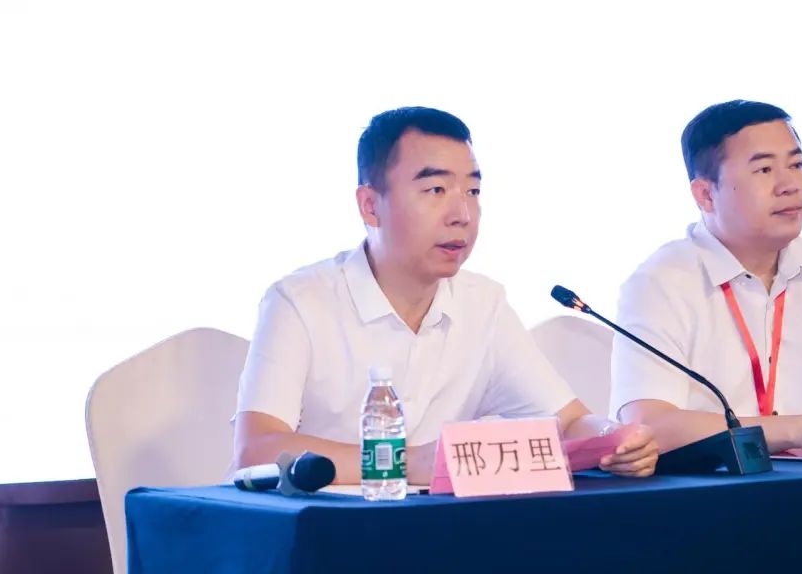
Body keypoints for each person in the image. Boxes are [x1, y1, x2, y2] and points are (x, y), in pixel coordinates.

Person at [233, 106, 658, 483]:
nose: (463, 215)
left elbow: (569, 422)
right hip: (320, 532)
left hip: (435, 531)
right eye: (436, 190)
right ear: (370, 206)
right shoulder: (299, 301)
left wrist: (616, 440)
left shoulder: (483, 303)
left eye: (473, 192)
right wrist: (404, 462)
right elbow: (258, 450)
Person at [610, 100, 802, 456]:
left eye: (796, 164)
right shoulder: (661, 282)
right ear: (706, 195)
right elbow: (648, 427)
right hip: (713, 484)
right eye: (764, 170)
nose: (789, 185)